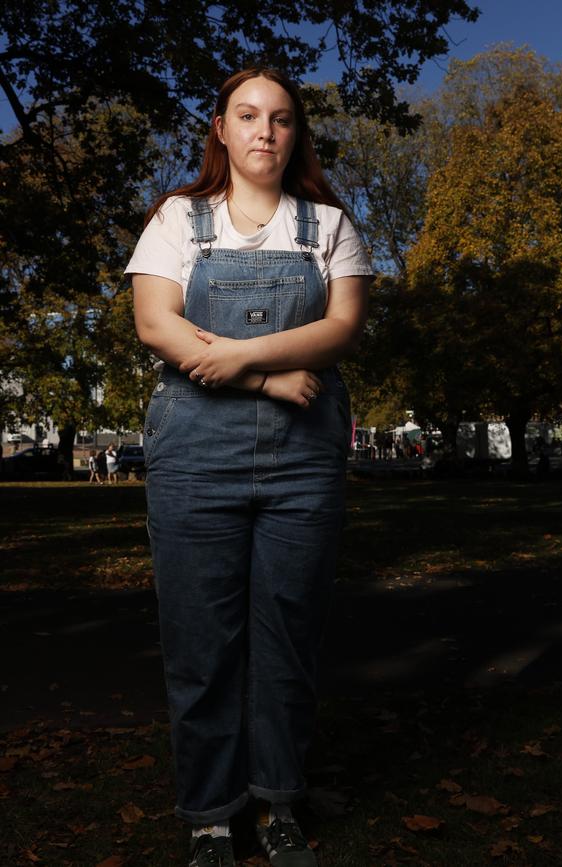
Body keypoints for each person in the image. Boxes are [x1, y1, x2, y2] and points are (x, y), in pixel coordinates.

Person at [126, 67, 373, 867]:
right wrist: (266, 374)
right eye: (248, 115)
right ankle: (208, 817)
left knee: (287, 637)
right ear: (222, 131)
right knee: (202, 644)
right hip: (194, 454)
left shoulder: (330, 226)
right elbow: (156, 325)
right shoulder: (176, 220)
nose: (265, 130)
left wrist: (234, 352)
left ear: (296, 134)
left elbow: (339, 330)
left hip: (304, 461)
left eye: (282, 118)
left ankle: (277, 803)